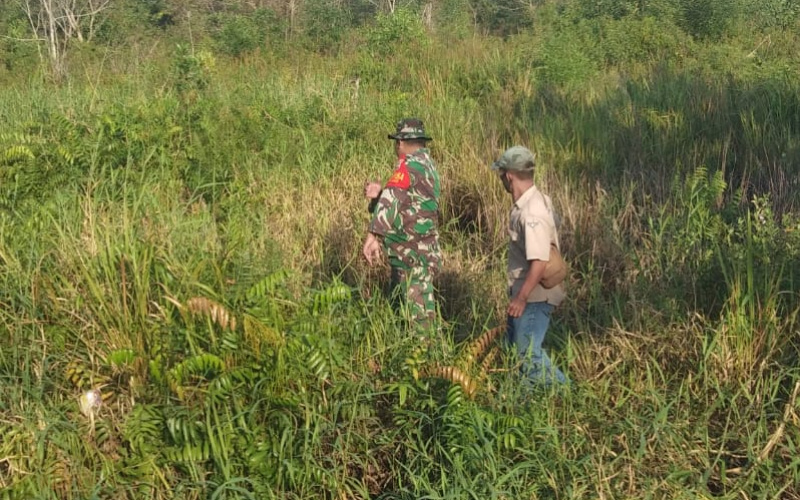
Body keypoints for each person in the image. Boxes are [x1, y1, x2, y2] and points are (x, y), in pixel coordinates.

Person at [491, 146, 569, 386]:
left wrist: (521, 298)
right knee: (515, 351)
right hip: (528, 292)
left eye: (502, 174)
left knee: (528, 354)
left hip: (534, 296)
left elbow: (540, 260)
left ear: (509, 176)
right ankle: (523, 405)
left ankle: (567, 393)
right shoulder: (536, 200)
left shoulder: (531, 212)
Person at [362, 118, 441, 330]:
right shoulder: (427, 166)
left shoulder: (409, 167)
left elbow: (392, 198)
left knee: (420, 326)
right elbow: (407, 205)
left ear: (400, 143)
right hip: (416, 254)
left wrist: (373, 236)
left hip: (412, 257)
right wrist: (380, 195)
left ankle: (426, 363)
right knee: (404, 317)